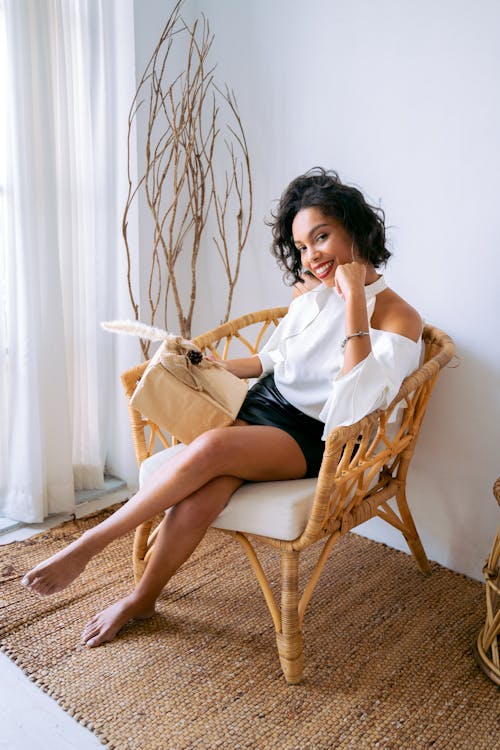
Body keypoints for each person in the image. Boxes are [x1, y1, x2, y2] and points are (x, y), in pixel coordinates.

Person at [21, 168, 422, 647]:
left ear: (354, 228)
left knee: (212, 448)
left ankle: (90, 543)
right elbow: (276, 359)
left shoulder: (400, 316)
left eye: (321, 236)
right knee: (202, 494)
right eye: (301, 246)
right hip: (262, 407)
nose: (312, 256)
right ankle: (143, 597)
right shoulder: (312, 295)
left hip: (312, 436)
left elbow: (355, 404)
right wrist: (215, 368)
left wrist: (355, 298)